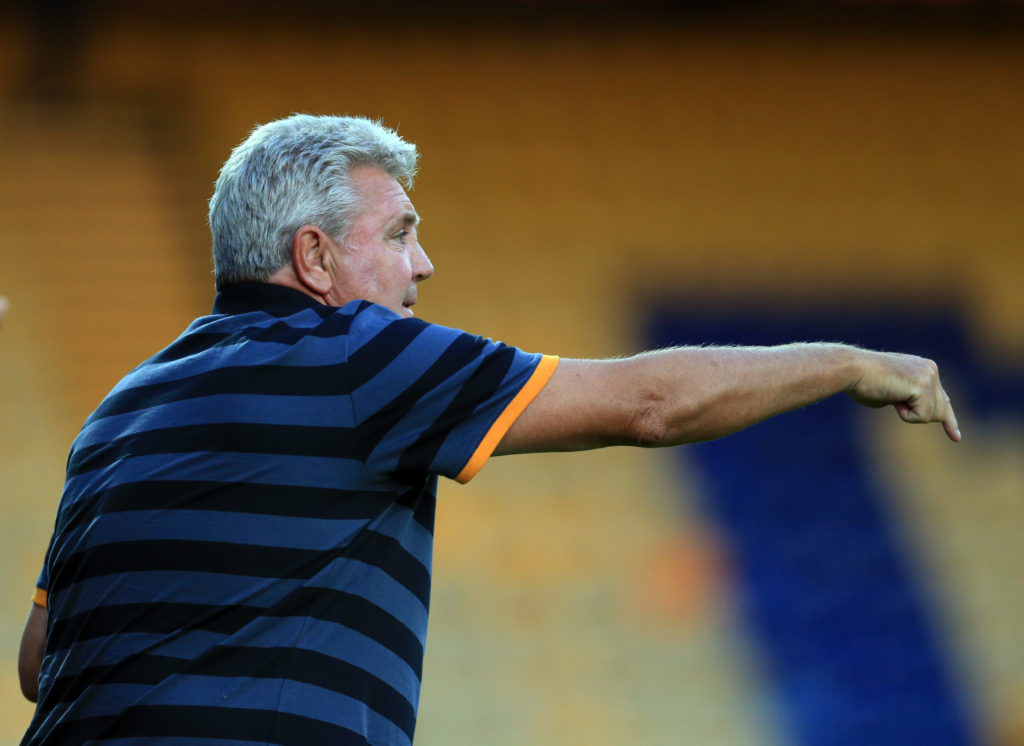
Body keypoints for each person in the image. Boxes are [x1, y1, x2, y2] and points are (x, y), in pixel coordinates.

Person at [18, 114, 959, 746]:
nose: (423, 264)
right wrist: (848, 364)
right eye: (397, 234)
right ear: (313, 256)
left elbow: (36, 663)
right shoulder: (357, 354)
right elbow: (649, 402)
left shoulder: (120, 409)